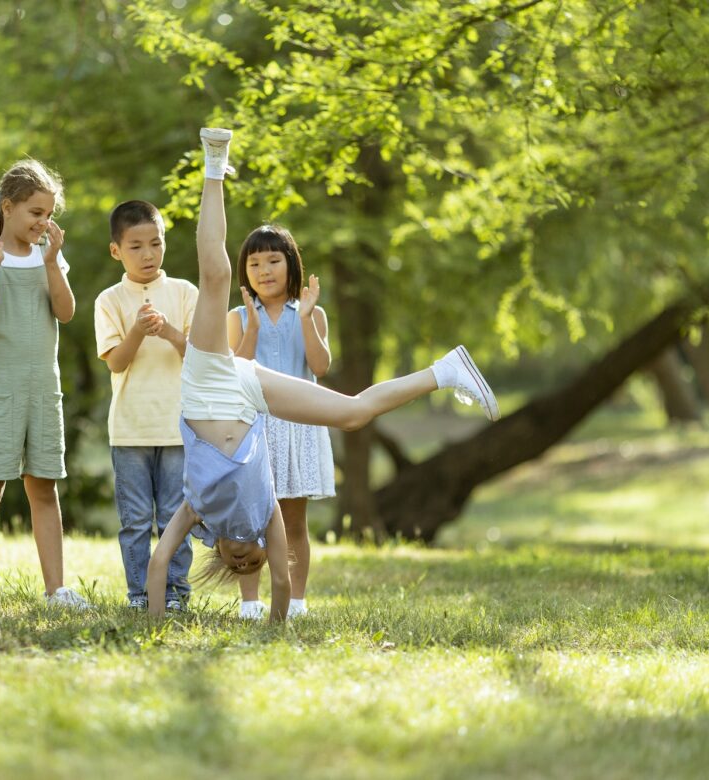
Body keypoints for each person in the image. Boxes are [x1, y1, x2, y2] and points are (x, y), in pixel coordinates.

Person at [146, 128, 500, 622]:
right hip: (249, 392)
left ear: (219, 554)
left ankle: (213, 166)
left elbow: (160, 561)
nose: (246, 555)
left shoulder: (196, 511)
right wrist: (277, 621)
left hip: (208, 383)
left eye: (237, 559)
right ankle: (445, 371)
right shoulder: (265, 510)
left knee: (215, 277)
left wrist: (156, 627)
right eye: (254, 560)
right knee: (353, 414)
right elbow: (284, 580)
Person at [0, 157, 89, 610]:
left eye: (49, 215)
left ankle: (56, 590)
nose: (43, 222)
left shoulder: (48, 255)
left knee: (44, 486)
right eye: (35, 213)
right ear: (8, 208)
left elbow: (66, 312)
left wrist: (52, 263)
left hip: (41, 388)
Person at [94, 200, 198, 612]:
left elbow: (202, 356)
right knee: (135, 520)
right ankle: (140, 594)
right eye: (136, 246)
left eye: (156, 243)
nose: (148, 254)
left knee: (176, 517)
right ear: (116, 250)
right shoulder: (109, 300)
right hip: (130, 429)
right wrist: (137, 331)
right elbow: (116, 362)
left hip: (178, 427)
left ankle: (175, 594)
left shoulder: (185, 293)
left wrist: (169, 331)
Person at [227, 224, 335, 620]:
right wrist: (252, 328)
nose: (264, 270)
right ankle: (251, 602)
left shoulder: (312, 312)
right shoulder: (237, 317)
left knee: (293, 520)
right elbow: (236, 372)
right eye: (254, 263)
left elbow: (320, 366)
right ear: (245, 272)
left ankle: (296, 602)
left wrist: (306, 318)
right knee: (249, 518)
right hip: (254, 427)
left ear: (291, 265)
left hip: (299, 426)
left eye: (273, 260)